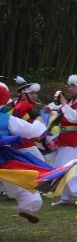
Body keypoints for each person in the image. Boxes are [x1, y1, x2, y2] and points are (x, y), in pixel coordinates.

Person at [0, 81, 49, 222]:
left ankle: (28, 206)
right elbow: (34, 131)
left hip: (6, 154)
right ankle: (28, 206)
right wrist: (39, 120)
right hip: (5, 158)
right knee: (22, 180)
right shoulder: (7, 119)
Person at [47, 75, 77, 204]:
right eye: (70, 86)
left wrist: (63, 104)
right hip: (65, 138)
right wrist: (52, 110)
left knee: (73, 168)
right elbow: (64, 115)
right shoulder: (71, 103)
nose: (70, 88)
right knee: (62, 166)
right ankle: (66, 197)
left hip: (75, 140)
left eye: (73, 86)